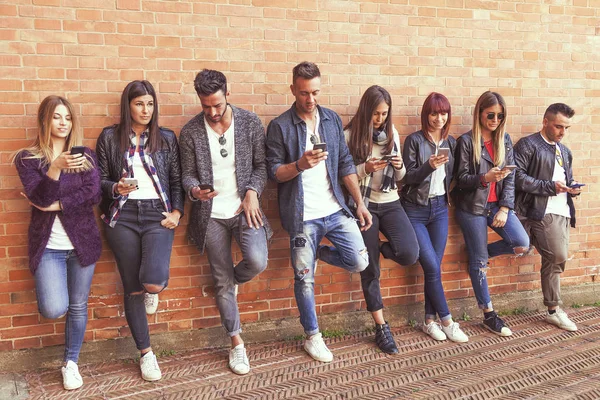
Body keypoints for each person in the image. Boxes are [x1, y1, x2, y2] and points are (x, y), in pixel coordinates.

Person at [266, 61, 372, 363]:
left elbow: (344, 164)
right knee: (304, 279)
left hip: (335, 209)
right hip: (303, 217)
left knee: (359, 261)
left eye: (314, 92)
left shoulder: (331, 120)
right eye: (303, 93)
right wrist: (300, 164)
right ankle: (313, 336)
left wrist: (359, 203)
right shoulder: (280, 126)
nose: (310, 99)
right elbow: (274, 173)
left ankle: (320, 254)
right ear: (293, 90)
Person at [179, 69, 270, 375]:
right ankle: (237, 344)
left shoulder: (250, 122)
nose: (213, 112)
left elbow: (261, 165)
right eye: (206, 106)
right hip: (211, 217)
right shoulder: (191, 131)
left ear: (228, 94)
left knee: (257, 261)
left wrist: (253, 192)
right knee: (220, 282)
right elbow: (187, 174)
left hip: (245, 209)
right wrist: (194, 190)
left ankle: (231, 284)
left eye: (217, 104)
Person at [96, 80, 184, 381]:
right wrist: (115, 187)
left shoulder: (166, 138)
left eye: (149, 103)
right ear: (128, 105)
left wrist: (177, 212)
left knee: (153, 283)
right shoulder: (110, 137)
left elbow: (175, 180)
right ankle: (146, 354)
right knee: (132, 287)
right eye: (139, 103)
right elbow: (100, 181)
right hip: (123, 215)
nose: (145, 109)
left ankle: (152, 287)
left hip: (157, 214)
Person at [14, 95, 102, 390]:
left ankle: (71, 363)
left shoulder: (84, 155)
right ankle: (69, 358)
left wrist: (58, 206)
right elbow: (39, 197)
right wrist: (55, 168)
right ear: (45, 120)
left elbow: (94, 195)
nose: (63, 123)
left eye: (67, 117)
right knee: (54, 308)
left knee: (78, 305)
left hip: (82, 244)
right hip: (49, 246)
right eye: (56, 117)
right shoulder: (27, 159)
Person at [344, 85, 419, 354]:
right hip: (363, 205)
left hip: (389, 202)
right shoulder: (350, 135)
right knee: (370, 268)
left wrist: (399, 166)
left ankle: (375, 247)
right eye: (376, 114)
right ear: (366, 111)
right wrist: (366, 168)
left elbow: (401, 179)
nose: (380, 120)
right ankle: (381, 327)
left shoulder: (392, 133)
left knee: (409, 252)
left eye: (384, 114)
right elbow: (343, 175)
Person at [453, 91, 530, 337]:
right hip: (472, 207)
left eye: (500, 115)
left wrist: (506, 208)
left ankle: (480, 255)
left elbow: (511, 177)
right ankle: (488, 314)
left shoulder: (504, 140)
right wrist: (484, 178)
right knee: (479, 263)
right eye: (490, 115)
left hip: (498, 207)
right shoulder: (466, 141)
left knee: (521, 243)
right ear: (480, 113)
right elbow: (461, 180)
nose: (495, 119)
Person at [401, 92, 468, 343]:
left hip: (440, 208)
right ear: (426, 115)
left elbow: (455, 177)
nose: (439, 118)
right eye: (433, 113)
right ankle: (448, 321)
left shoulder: (451, 142)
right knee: (431, 265)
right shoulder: (414, 141)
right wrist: (429, 165)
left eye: (443, 113)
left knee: (434, 268)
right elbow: (407, 178)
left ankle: (429, 320)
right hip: (415, 209)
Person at [514, 103, 582, 332]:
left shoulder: (565, 151)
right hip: (540, 211)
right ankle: (524, 240)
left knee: (554, 261)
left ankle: (553, 309)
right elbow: (517, 178)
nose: (562, 132)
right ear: (545, 122)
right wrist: (550, 187)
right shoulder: (528, 144)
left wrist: (572, 188)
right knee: (558, 256)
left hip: (563, 210)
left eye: (566, 128)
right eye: (558, 126)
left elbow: (565, 178)